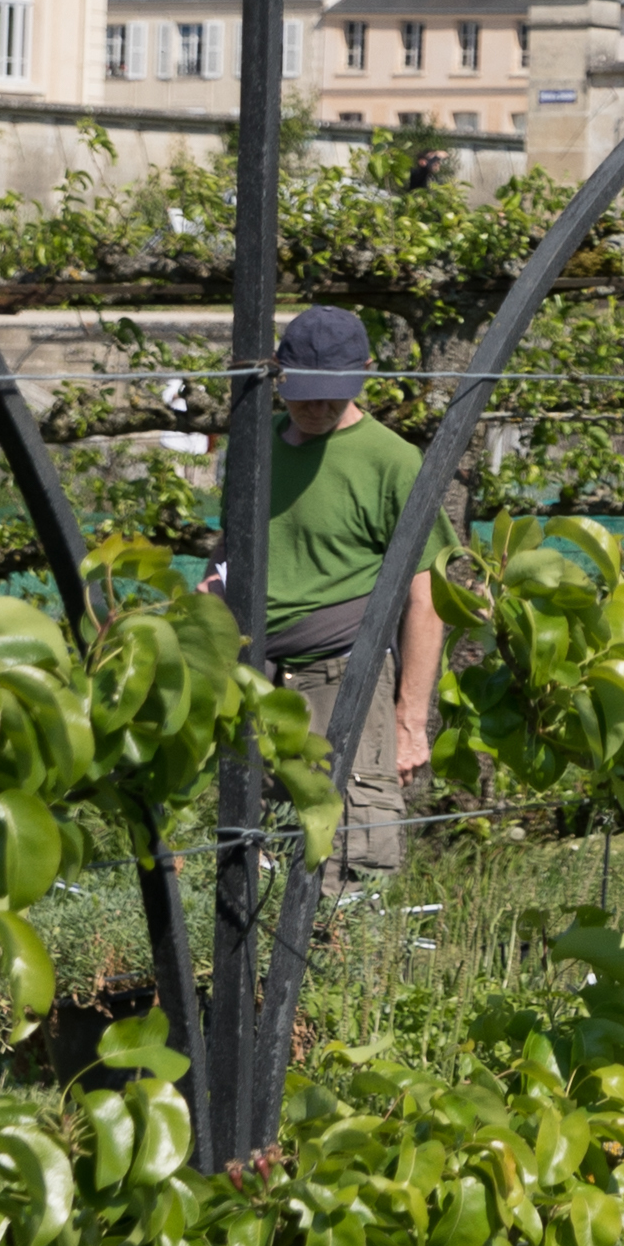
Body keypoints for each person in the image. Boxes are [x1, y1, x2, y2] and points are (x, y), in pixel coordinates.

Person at [242, 307, 430, 889]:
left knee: (350, 861)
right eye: (304, 395)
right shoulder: (255, 448)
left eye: (333, 396)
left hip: (344, 676)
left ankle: (346, 972)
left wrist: (410, 720)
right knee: (258, 857)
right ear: (277, 375)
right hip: (258, 681)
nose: (317, 409)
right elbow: (232, 548)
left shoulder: (392, 460)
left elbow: (425, 598)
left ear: (366, 374)